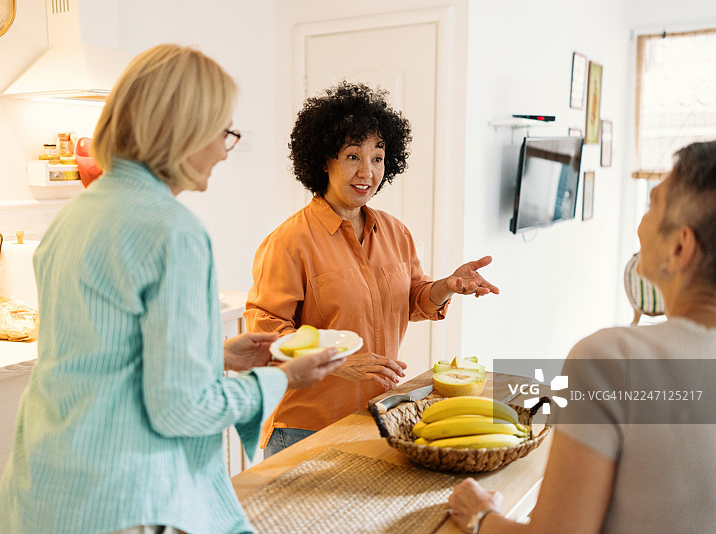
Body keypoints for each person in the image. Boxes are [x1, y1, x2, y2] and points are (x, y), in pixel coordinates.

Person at [0, 44, 345, 534]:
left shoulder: (74, 215)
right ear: (184, 130)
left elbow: (103, 355)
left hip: (45, 489)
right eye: (223, 132)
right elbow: (182, 408)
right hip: (124, 500)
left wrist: (216, 354)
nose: (226, 148)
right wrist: (285, 379)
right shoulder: (173, 232)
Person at [447, 140, 716, 534]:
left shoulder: (612, 359)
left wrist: (480, 514)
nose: (640, 224)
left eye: (652, 204)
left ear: (679, 248)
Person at [245, 82, 499, 456]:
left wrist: (447, 285)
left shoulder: (396, 232)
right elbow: (268, 330)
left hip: (379, 416)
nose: (367, 171)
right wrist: (339, 362)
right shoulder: (289, 241)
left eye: (377, 158)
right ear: (323, 161)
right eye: (352, 156)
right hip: (305, 430)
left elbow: (413, 298)